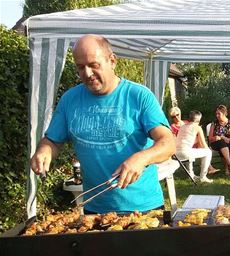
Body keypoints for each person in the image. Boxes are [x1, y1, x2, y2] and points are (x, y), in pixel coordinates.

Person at [30, 34, 175, 213]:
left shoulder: (139, 96)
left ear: (112, 61)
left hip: (144, 208)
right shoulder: (70, 99)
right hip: (95, 209)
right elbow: (53, 140)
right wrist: (44, 150)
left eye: (93, 65)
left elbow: (168, 143)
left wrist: (142, 158)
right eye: (80, 67)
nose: (88, 74)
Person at [176, 110, 216, 183]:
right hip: (185, 153)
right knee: (208, 152)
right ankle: (203, 176)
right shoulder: (197, 127)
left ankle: (191, 175)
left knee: (190, 150)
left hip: (176, 154)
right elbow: (204, 144)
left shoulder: (182, 126)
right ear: (199, 119)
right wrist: (208, 149)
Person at [208, 104, 230, 175]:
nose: (217, 115)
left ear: (224, 114)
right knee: (222, 143)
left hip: (228, 143)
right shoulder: (214, 123)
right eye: (216, 114)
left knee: (223, 144)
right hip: (215, 143)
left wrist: (226, 138)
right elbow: (210, 138)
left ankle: (227, 167)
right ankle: (229, 164)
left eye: (219, 114)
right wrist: (215, 138)